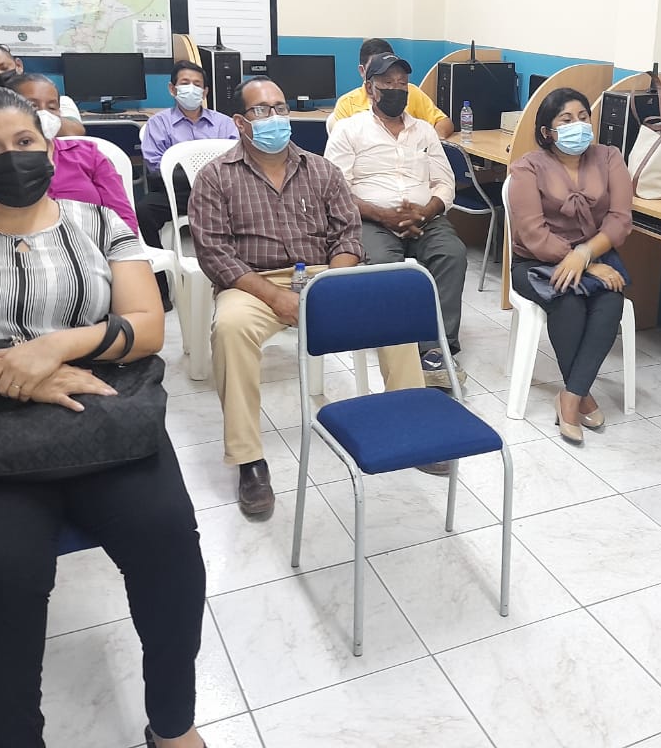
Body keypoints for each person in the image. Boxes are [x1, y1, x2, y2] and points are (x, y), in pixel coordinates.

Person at [0, 87, 207, 748]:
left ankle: (173, 725)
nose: (12, 158)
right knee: (3, 574)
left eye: (24, 143)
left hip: (100, 415)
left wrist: (53, 349)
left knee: (170, 545)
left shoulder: (101, 224)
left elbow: (146, 327)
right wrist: (17, 378)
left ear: (49, 149)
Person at [189, 76, 429, 516]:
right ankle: (248, 459)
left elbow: (348, 236)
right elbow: (215, 254)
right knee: (230, 329)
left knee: (391, 311)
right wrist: (276, 298)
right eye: (262, 110)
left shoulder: (322, 170)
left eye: (280, 108)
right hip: (254, 283)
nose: (275, 117)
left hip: (324, 275)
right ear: (241, 122)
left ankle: (414, 426)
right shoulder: (215, 177)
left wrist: (330, 286)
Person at [325, 52, 468, 387]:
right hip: (371, 219)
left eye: (402, 83)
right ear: (369, 88)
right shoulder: (348, 130)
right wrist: (383, 215)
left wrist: (425, 211)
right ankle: (396, 343)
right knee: (384, 267)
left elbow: (444, 182)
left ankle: (436, 348)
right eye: (387, 83)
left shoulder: (424, 132)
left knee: (452, 254)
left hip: (424, 217)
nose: (396, 89)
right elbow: (335, 190)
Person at [507, 88, 632, 444]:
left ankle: (571, 397)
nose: (578, 125)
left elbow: (620, 219)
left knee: (611, 300)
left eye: (583, 117)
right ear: (547, 131)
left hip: (594, 254)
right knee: (569, 301)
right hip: (537, 262)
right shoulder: (528, 167)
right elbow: (533, 234)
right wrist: (580, 263)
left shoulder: (609, 158)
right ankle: (582, 395)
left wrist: (586, 256)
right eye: (566, 120)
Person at [0, 73, 139, 233]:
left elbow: (123, 217)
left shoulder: (89, 155)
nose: (44, 114)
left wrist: (116, 251)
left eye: (52, 107)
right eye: (32, 106)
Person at [137, 60, 237, 305]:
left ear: (205, 92)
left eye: (197, 84)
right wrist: (195, 173)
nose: (191, 88)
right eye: (185, 83)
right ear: (172, 89)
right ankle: (160, 289)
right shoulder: (158, 123)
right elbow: (155, 165)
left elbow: (237, 159)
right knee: (143, 212)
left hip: (221, 193)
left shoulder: (224, 123)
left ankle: (240, 280)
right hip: (178, 192)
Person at [326, 38, 455, 137]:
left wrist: (431, 142)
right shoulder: (347, 104)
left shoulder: (411, 92)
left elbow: (444, 122)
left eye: (389, 67)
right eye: (377, 70)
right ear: (362, 70)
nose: (394, 87)